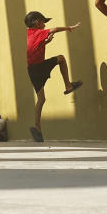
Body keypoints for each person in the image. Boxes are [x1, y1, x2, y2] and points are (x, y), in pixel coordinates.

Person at [24, 11, 83, 142]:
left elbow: (34, 48)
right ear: (36, 22)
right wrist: (69, 28)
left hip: (32, 70)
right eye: (43, 22)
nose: (45, 25)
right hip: (39, 67)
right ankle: (68, 85)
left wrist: (46, 43)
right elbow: (55, 29)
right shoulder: (38, 32)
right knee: (61, 58)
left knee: (41, 99)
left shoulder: (30, 35)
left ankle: (38, 128)